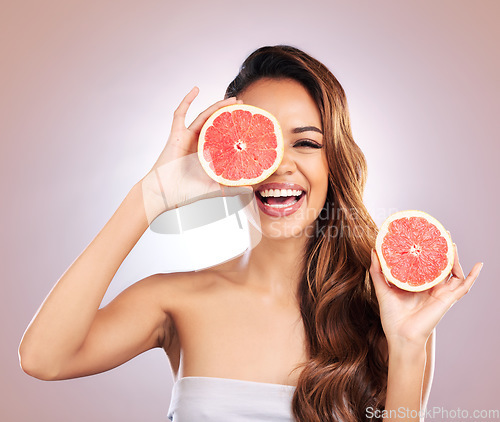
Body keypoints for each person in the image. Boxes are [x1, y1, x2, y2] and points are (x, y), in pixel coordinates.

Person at [18, 45, 483, 422]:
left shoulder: (384, 312)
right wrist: (152, 194)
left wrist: (405, 347)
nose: (281, 164)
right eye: (264, 143)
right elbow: (44, 358)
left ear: (334, 161)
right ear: (228, 154)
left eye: (305, 142)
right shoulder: (175, 300)